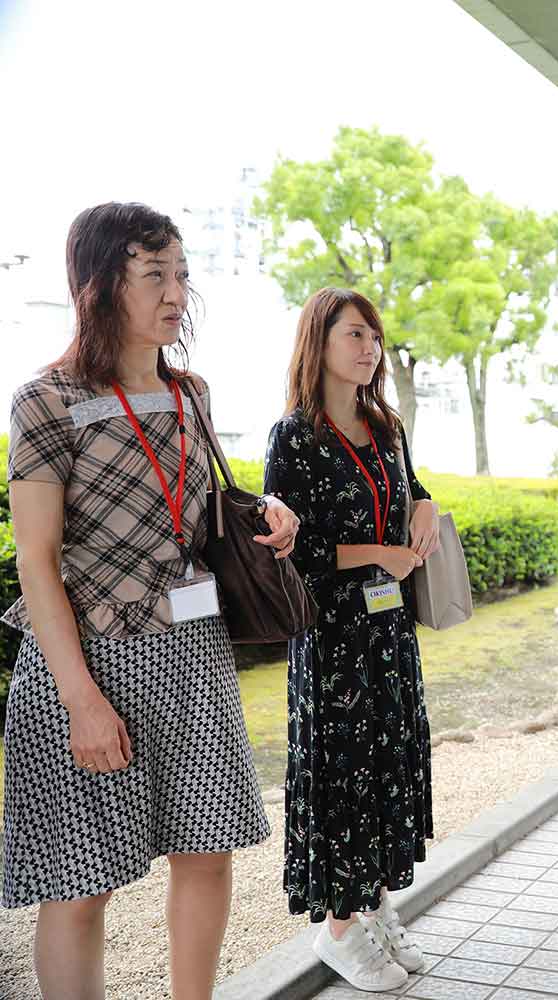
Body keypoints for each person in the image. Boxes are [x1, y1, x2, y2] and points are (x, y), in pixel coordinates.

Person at [2, 202, 297, 999]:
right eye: (154, 275)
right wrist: (82, 703)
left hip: (193, 654)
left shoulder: (191, 391)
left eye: (182, 275)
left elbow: (201, 510)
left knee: (208, 849)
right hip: (90, 661)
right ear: (99, 285)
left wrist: (269, 516)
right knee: (81, 879)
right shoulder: (46, 401)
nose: (177, 293)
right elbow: (35, 560)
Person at [264, 287, 442, 992]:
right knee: (342, 776)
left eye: (373, 336)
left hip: (389, 636)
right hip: (333, 638)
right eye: (353, 335)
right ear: (320, 342)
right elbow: (290, 552)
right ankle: (337, 928)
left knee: (386, 766)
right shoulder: (295, 437)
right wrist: (378, 555)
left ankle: (373, 903)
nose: (369, 348)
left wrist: (424, 505)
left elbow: (411, 489)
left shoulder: (385, 425)